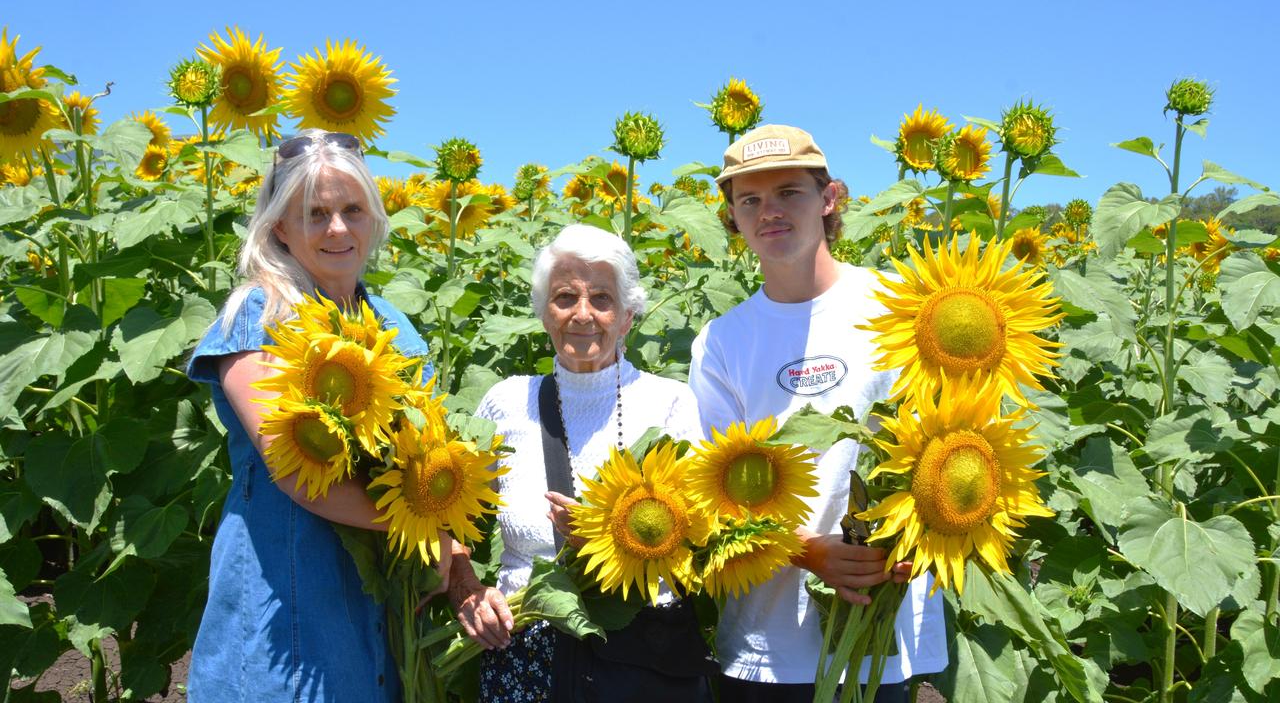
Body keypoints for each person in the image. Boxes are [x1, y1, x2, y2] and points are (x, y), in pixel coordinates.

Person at [688, 125, 948, 702]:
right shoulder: (723, 341)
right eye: (749, 200)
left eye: (789, 193)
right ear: (732, 215)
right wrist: (810, 552)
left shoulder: (902, 307)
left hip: (884, 622)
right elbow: (710, 495)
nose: (769, 212)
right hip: (766, 640)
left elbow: (950, 437)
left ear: (829, 199)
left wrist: (915, 539)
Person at [186, 129, 445, 702]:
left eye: (352, 210)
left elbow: (428, 450)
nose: (337, 228)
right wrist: (428, 526)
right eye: (315, 213)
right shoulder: (258, 317)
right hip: (288, 588)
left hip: (378, 595)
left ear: (374, 219)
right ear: (280, 226)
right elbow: (300, 472)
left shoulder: (396, 326)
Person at [445, 224, 712, 702]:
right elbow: (449, 519)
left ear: (628, 316)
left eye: (602, 299)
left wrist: (609, 540)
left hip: (638, 657)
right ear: (544, 312)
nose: (582, 314)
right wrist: (466, 588)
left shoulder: (670, 404)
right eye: (565, 297)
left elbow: (697, 539)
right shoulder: (506, 403)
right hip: (523, 655)